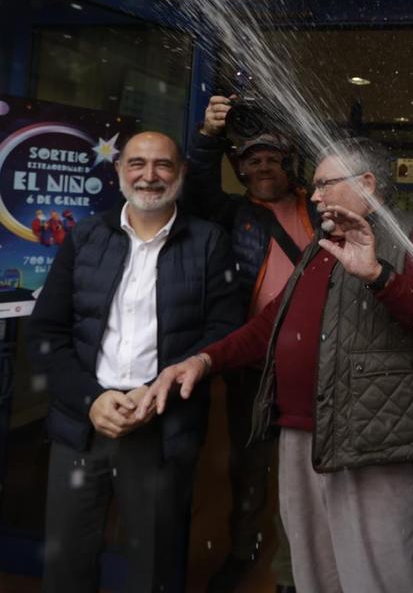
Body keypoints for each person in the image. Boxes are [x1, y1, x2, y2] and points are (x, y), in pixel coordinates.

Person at [142, 137, 413, 593]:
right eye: (315, 186)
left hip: (371, 442)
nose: (316, 196)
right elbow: (274, 321)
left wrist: (378, 275)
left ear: (367, 185)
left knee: (376, 577)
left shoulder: (411, 234)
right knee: (315, 573)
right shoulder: (323, 243)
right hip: (303, 436)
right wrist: (206, 360)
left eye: (326, 184)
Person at [27, 131, 246, 592]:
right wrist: (91, 399)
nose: (150, 176)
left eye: (163, 165)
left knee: (154, 568)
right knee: (66, 562)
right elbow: (47, 334)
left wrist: (162, 386)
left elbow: (223, 331)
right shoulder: (85, 237)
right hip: (81, 426)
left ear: (181, 173)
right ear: (119, 170)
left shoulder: (209, 242)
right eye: (137, 163)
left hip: (162, 425)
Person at [183, 95, 318, 592]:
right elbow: (196, 185)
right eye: (253, 161)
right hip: (253, 365)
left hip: (314, 364)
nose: (263, 167)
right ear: (240, 171)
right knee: (249, 466)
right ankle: (244, 551)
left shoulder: (320, 210)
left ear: (290, 166)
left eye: (273, 160)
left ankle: (295, 568)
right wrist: (208, 137)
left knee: (308, 471)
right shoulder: (231, 214)